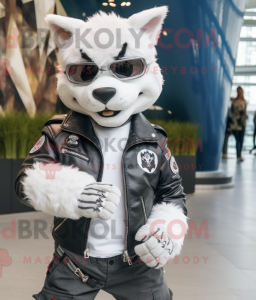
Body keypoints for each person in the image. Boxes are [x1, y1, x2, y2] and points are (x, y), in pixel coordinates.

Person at [15, 6, 187, 300]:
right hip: (74, 263)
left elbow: (171, 194)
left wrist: (166, 231)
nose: (104, 87)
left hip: (139, 265)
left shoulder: (154, 140)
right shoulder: (59, 133)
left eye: (126, 68)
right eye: (84, 72)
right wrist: (72, 193)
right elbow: (25, 182)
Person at [230, 87, 248, 162]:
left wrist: (244, 116)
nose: (240, 92)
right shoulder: (234, 101)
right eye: (238, 91)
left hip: (242, 123)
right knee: (238, 140)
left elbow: (245, 112)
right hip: (235, 123)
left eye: (241, 91)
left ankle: (240, 155)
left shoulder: (245, 101)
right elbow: (231, 112)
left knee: (241, 140)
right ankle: (238, 155)